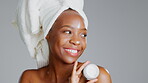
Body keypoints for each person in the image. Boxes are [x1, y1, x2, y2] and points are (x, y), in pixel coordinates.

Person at [15, 0, 112, 83]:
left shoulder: (97, 78)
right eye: (67, 32)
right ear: (47, 34)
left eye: (83, 34)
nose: (76, 41)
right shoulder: (30, 78)